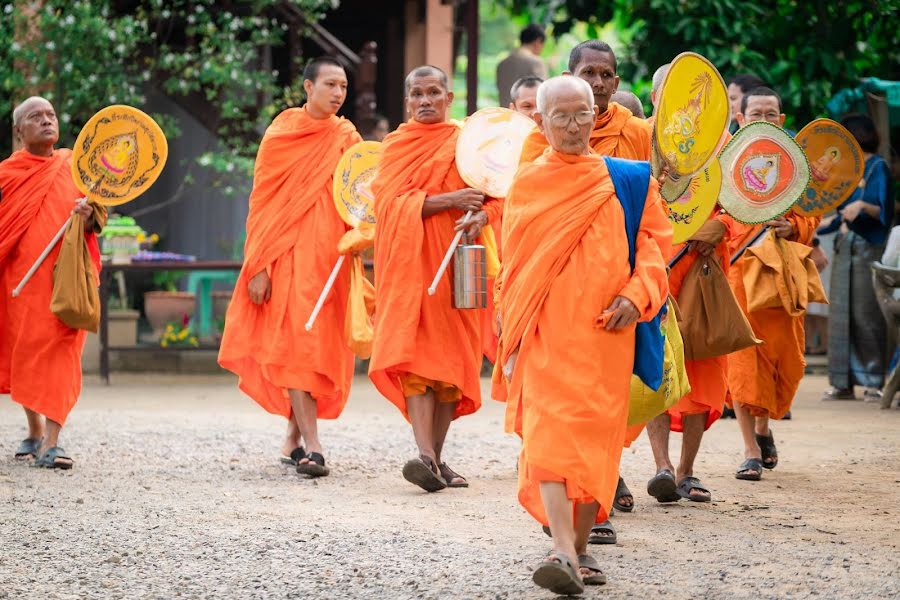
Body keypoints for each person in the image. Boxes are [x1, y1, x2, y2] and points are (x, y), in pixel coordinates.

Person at [497, 75, 670, 594]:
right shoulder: (527, 183)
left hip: (605, 336)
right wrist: (510, 328)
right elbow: (515, 266)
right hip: (547, 331)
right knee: (550, 434)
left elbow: (655, 249)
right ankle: (563, 550)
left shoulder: (631, 180)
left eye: (583, 114)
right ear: (540, 121)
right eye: (561, 116)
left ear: (598, 115)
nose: (573, 126)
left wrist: (634, 297)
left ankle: (582, 543)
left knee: (596, 441)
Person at [218, 57, 362, 477]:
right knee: (298, 346)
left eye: (344, 87)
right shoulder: (281, 134)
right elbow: (262, 204)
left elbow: (361, 194)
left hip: (331, 257)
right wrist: (258, 265)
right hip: (288, 256)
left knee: (319, 348)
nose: (338, 93)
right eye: (330, 84)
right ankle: (314, 447)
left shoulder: (347, 136)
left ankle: (293, 437)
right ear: (307, 87)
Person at [369, 66, 502, 492]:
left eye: (433, 93)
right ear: (407, 101)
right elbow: (388, 207)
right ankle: (425, 454)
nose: (424, 101)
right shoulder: (396, 147)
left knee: (452, 369)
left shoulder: (469, 142)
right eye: (416, 94)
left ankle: (436, 460)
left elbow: (500, 195)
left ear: (450, 97)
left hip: (460, 266)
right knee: (416, 364)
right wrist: (449, 200)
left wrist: (483, 214)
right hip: (412, 271)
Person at [1, 96, 106, 469]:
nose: (46, 121)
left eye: (51, 115)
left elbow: (98, 218)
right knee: (27, 352)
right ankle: (34, 430)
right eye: (35, 117)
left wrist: (89, 213)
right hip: (20, 283)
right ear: (19, 131)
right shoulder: (7, 175)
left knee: (62, 351)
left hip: (68, 281)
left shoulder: (76, 166)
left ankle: (53, 440)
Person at [727, 86, 821, 481]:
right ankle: (749, 449)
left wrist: (793, 226)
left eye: (771, 114)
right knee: (744, 360)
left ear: (782, 120)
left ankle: (764, 430)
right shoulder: (727, 162)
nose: (764, 120)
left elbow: (811, 217)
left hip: (783, 276)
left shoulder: (795, 165)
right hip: (740, 271)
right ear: (741, 120)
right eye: (756, 114)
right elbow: (716, 212)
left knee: (786, 361)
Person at [821, 114, 894, 401]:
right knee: (840, 314)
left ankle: (873, 380)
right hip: (845, 244)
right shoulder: (845, 169)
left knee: (867, 314)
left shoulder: (878, 167)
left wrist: (863, 205)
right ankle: (842, 382)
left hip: (868, 246)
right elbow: (833, 207)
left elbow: (884, 211)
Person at [519, 40, 651, 164]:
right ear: (568, 78)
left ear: (615, 84)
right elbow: (530, 184)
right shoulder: (542, 136)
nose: (599, 83)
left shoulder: (639, 132)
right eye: (589, 72)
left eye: (606, 75)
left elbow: (653, 183)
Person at [496, 24, 548, 108]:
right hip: (527, 118)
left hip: (505, 115)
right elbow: (544, 94)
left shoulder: (502, 64)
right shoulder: (536, 62)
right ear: (538, 42)